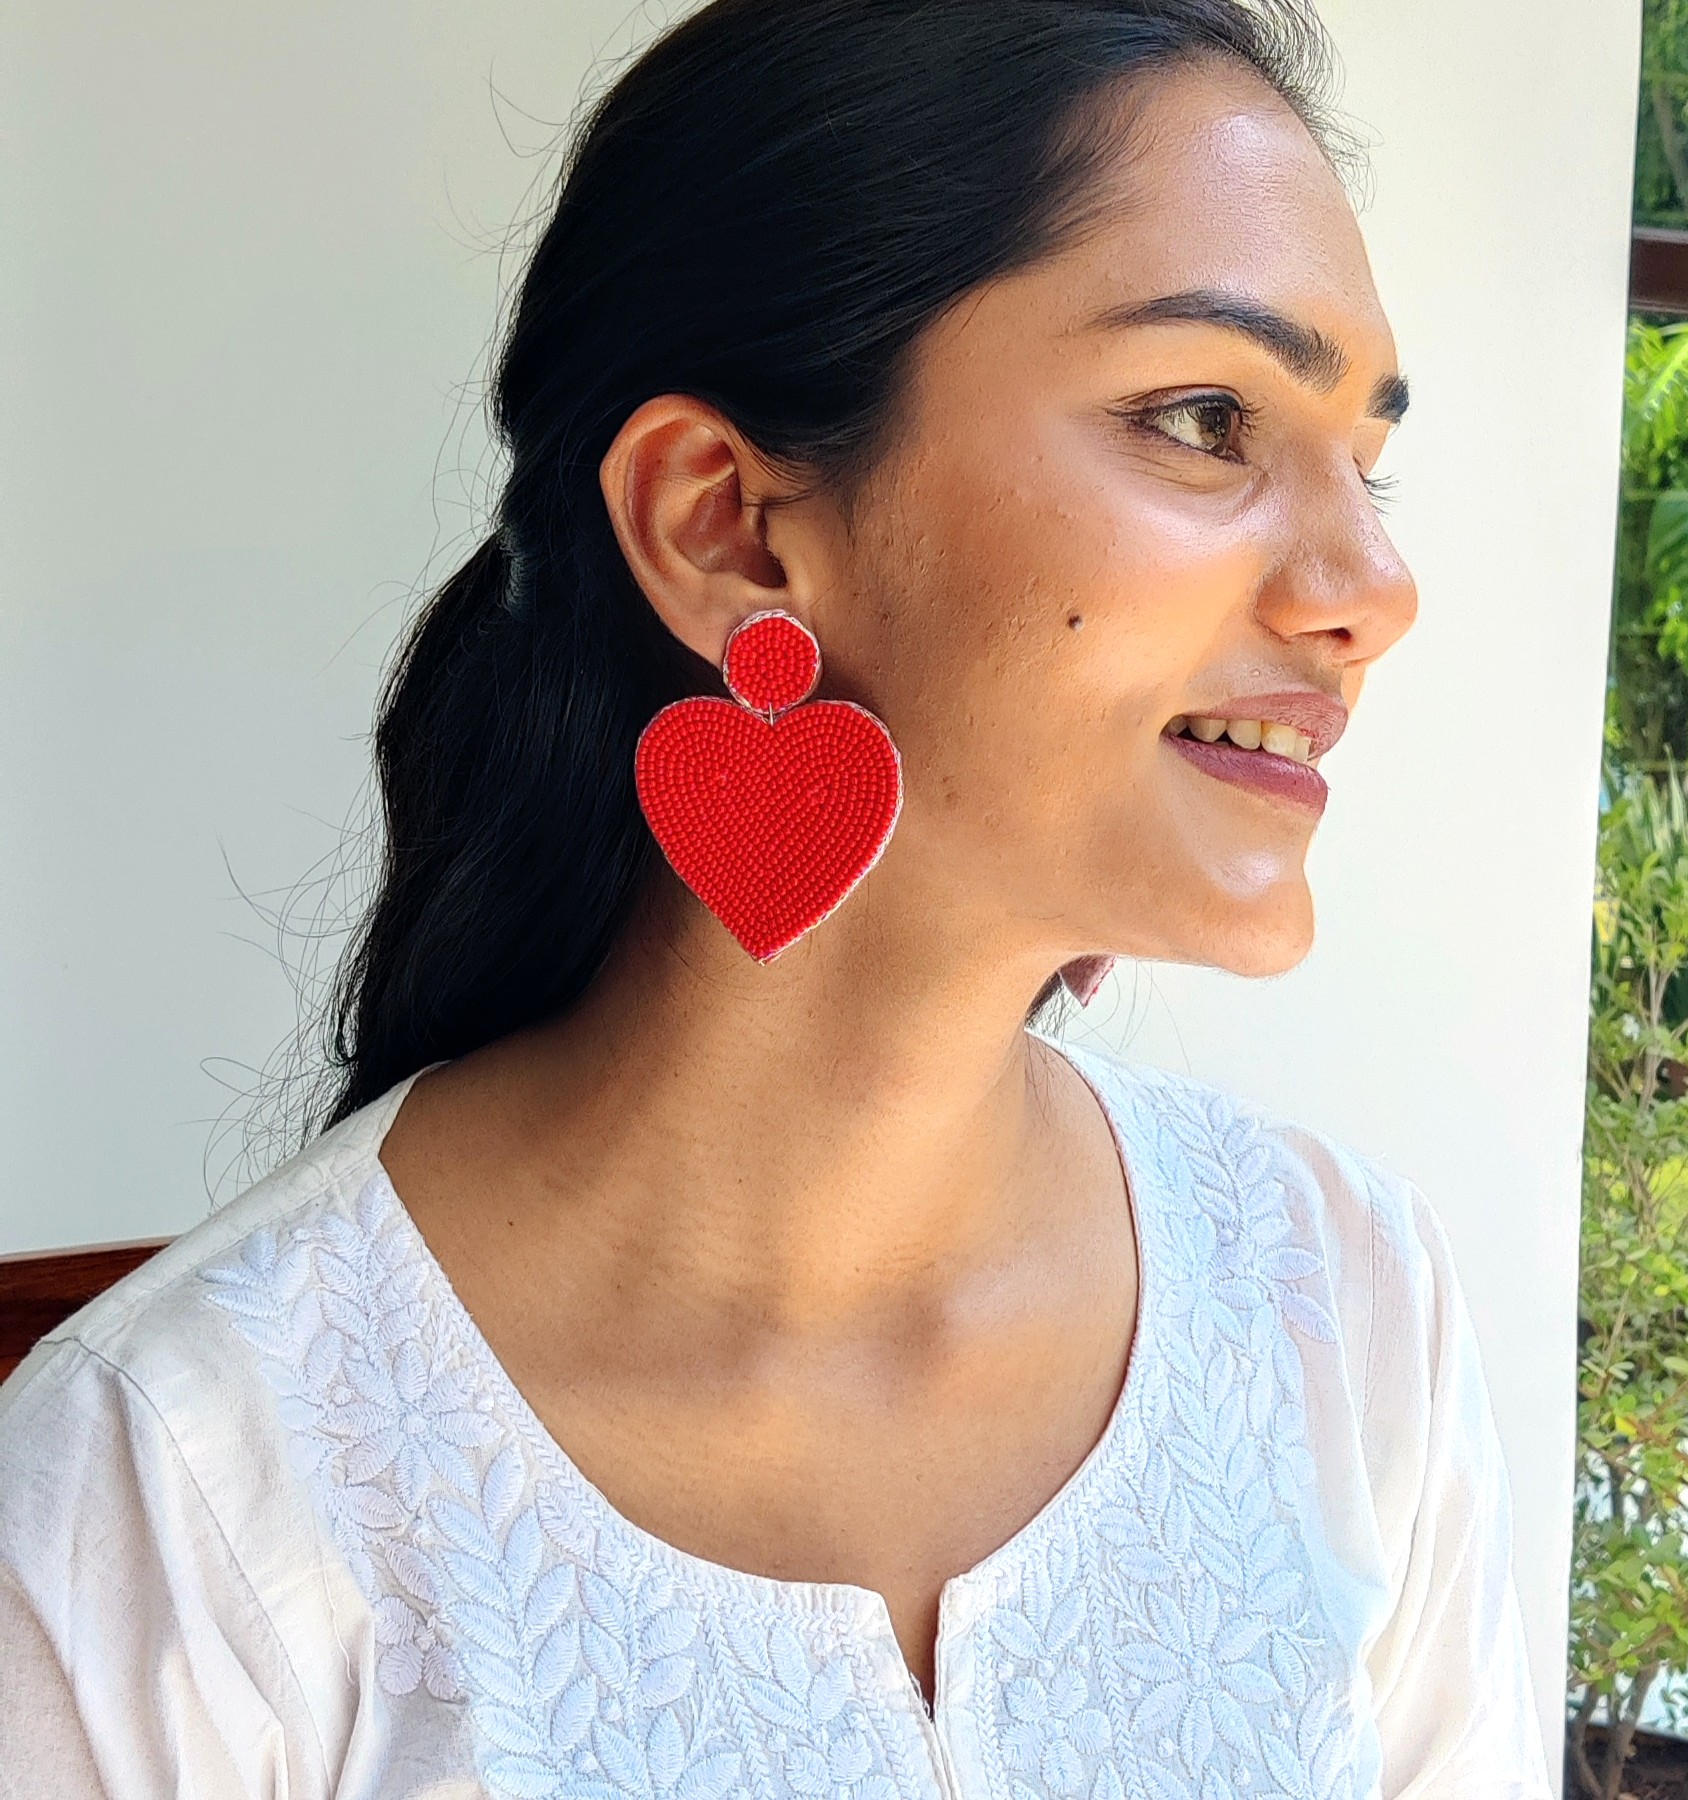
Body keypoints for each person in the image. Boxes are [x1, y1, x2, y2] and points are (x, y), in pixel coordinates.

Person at [0, 1, 1556, 1794]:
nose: (1376, 585)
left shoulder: (1346, 1316)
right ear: (725, 524)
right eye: (1207, 417)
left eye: (1367, 457)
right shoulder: (176, 1506)